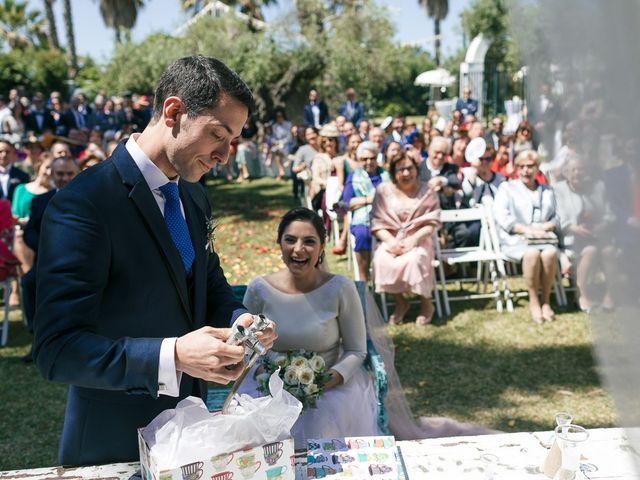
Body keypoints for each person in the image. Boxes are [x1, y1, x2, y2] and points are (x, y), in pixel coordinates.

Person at [32, 55, 276, 466]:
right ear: (174, 111)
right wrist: (175, 355)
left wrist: (239, 320)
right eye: (218, 134)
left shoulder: (194, 194)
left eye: (233, 140)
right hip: (112, 440)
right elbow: (57, 349)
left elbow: (206, 281)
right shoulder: (84, 204)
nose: (225, 155)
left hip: (192, 435)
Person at [240, 207, 380, 446]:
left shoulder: (340, 289)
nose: (298, 249)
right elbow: (244, 346)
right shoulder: (259, 289)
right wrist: (266, 378)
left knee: (317, 427)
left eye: (309, 241)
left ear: (322, 248)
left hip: (329, 389)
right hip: (267, 387)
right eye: (290, 240)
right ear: (279, 243)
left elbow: (357, 350)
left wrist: (321, 383)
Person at [371, 152, 441, 325]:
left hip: (419, 238)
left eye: (409, 168)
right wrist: (390, 241)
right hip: (391, 239)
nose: (406, 173)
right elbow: (376, 222)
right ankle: (400, 302)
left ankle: (426, 304)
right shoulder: (383, 191)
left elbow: (432, 222)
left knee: (415, 259)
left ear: (416, 169)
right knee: (381, 258)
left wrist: (413, 240)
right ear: (394, 172)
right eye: (400, 170)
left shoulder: (427, 191)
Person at [493, 150, 560, 324]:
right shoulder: (507, 188)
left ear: (537, 168)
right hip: (517, 238)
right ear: (516, 169)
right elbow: (501, 216)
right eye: (521, 167)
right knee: (532, 254)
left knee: (550, 254)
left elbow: (557, 216)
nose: (525, 171)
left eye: (530, 166)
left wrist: (545, 227)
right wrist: (525, 230)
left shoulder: (547, 190)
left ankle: (546, 300)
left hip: (544, 238)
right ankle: (534, 300)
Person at [553, 156, 615, 312]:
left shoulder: (598, 187)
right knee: (590, 251)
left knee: (610, 251)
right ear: (566, 172)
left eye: (581, 169)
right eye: (573, 170)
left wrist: (603, 224)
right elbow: (558, 218)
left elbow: (609, 213)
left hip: (598, 235)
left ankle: (610, 294)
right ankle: (582, 295)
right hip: (571, 238)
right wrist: (573, 228)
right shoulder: (558, 189)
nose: (577, 173)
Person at [342, 142, 389, 281]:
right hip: (362, 220)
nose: (369, 162)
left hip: (386, 218)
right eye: (364, 159)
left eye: (372, 158)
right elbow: (347, 203)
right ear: (358, 160)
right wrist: (370, 199)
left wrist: (362, 201)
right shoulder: (353, 177)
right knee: (363, 234)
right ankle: (364, 278)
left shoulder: (386, 175)